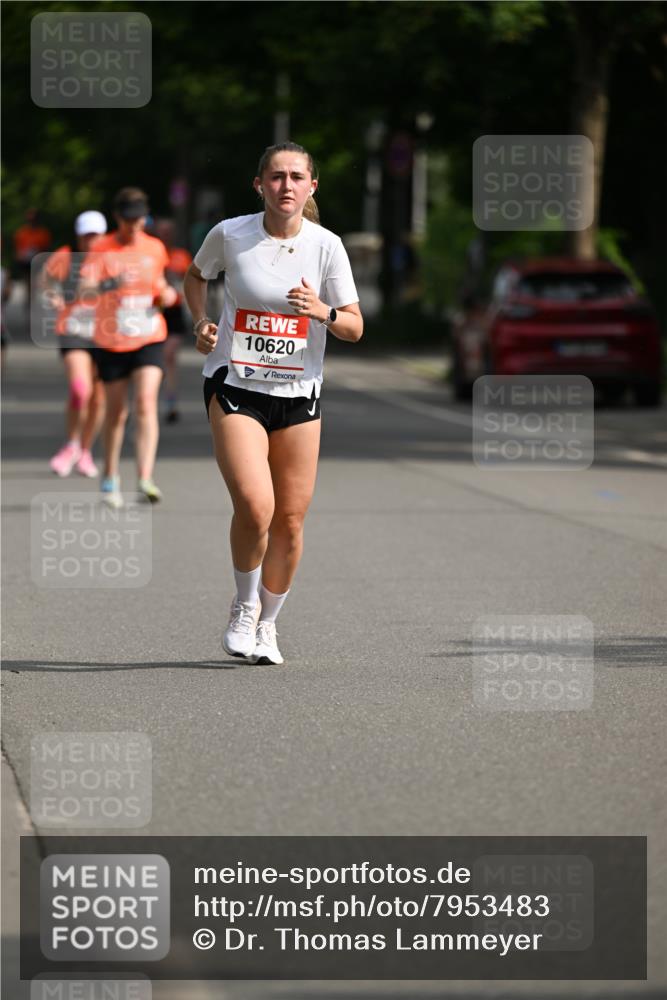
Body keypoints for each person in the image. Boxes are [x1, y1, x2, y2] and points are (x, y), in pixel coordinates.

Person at [183, 141, 363, 665]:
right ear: (259, 184)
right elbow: (196, 277)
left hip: (298, 395)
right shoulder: (230, 234)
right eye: (277, 176)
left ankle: (268, 625)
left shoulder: (327, 246)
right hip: (235, 384)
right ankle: (244, 607)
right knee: (255, 506)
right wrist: (201, 322)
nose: (287, 186)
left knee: (289, 520)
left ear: (312, 187)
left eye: (296, 177)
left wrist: (322, 310)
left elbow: (354, 326)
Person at [80, 187, 178, 508]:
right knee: (116, 412)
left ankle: (145, 478)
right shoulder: (102, 248)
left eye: (139, 219)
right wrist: (113, 283)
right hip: (112, 339)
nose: (134, 225)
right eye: (129, 219)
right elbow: (85, 288)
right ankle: (110, 476)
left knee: (146, 403)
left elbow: (161, 284)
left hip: (149, 336)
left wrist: (166, 295)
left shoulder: (155, 248)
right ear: (117, 217)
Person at [43, 210, 108, 478]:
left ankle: (85, 450)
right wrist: (53, 295)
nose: (90, 240)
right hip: (74, 329)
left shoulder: (113, 258)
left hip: (106, 332)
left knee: (98, 398)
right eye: (86, 235)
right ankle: (71, 444)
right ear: (79, 236)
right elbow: (46, 280)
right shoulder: (66, 257)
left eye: (95, 235)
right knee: (80, 390)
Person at [153, 219, 193, 423]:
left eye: (169, 231)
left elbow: (192, 281)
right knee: (157, 360)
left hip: (175, 312)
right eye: (162, 231)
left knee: (168, 356)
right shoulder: (150, 254)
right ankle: (151, 398)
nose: (165, 235)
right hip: (153, 311)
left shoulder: (181, 256)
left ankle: (170, 401)